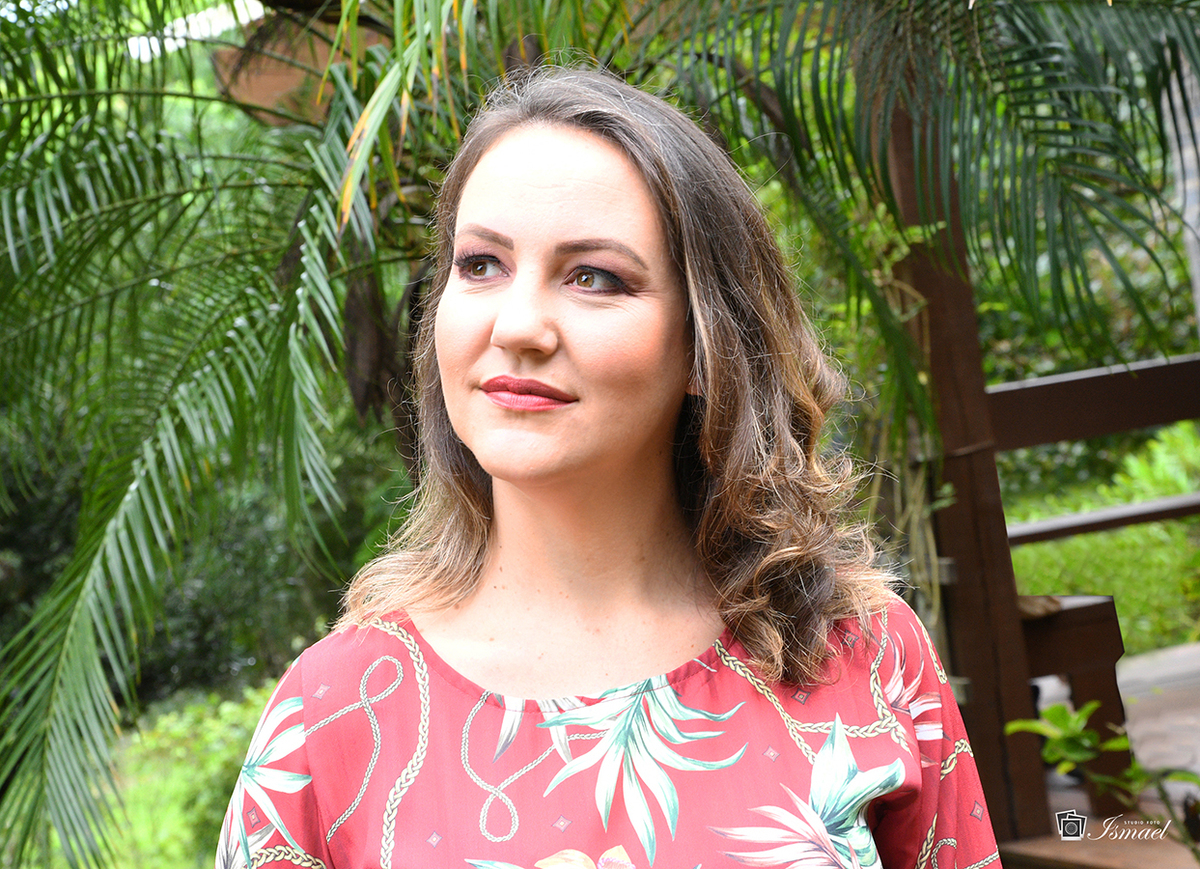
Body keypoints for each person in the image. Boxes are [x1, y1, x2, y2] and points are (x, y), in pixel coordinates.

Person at [216, 66, 1000, 869]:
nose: (518, 326)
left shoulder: (865, 653)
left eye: (594, 276)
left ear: (706, 346)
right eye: (481, 264)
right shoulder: (333, 714)